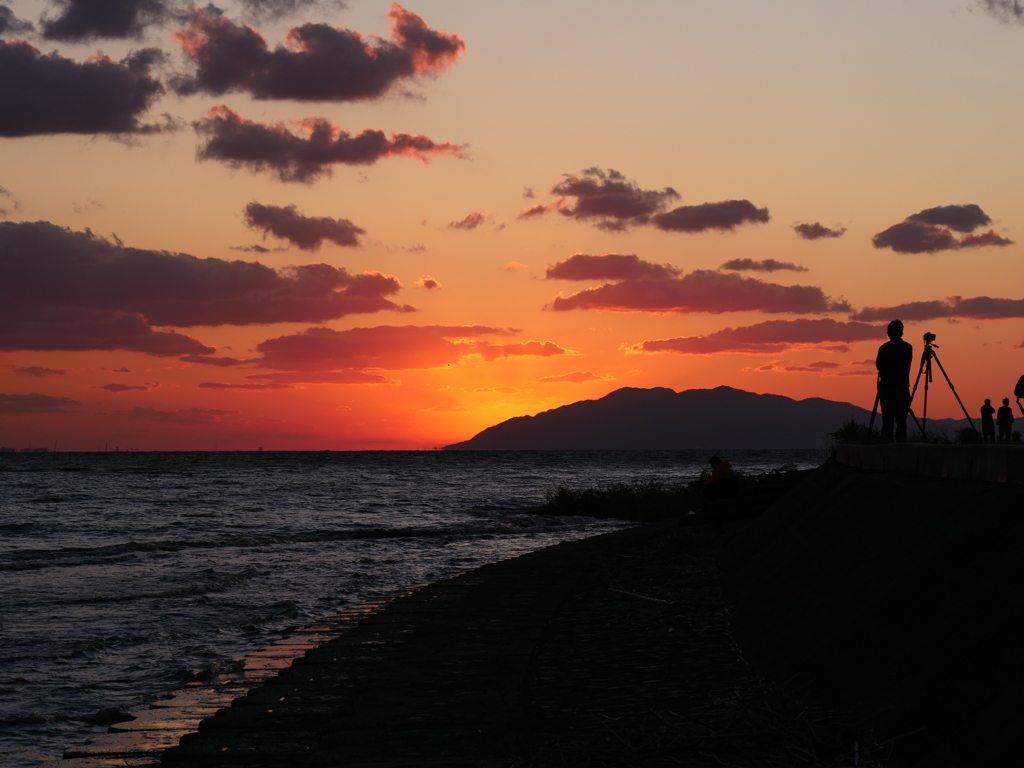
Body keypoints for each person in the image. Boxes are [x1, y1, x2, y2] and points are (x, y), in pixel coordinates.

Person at [875, 319, 914, 443]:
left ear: (889, 333)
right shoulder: (907, 348)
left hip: (887, 389)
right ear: (901, 333)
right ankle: (902, 451)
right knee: (901, 423)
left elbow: (878, 366)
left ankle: (886, 451)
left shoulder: (884, 348)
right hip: (902, 389)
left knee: (887, 422)